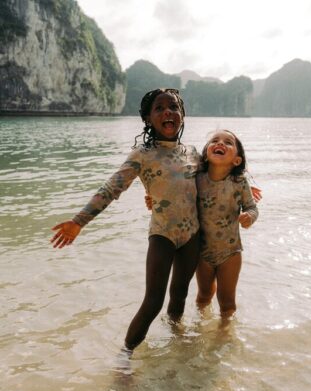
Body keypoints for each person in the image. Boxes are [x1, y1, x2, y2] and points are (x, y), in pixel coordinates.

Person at [50, 88, 202, 353]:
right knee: (153, 302)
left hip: (193, 236)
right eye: (159, 108)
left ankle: (176, 344)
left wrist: (243, 187)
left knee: (180, 294)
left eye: (174, 107)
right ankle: (125, 356)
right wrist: (79, 221)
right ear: (147, 119)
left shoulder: (193, 153)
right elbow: (111, 188)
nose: (168, 111)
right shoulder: (142, 155)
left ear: (182, 114)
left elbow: (212, 182)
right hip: (163, 235)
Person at [195, 129, 258, 318]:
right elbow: (175, 194)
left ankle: (224, 337)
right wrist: (154, 199)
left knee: (227, 302)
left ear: (236, 160)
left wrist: (249, 217)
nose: (220, 143)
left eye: (228, 143)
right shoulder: (196, 178)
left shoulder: (239, 182)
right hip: (202, 252)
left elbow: (252, 208)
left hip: (230, 252)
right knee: (203, 296)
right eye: (215, 140)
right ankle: (200, 327)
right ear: (206, 153)